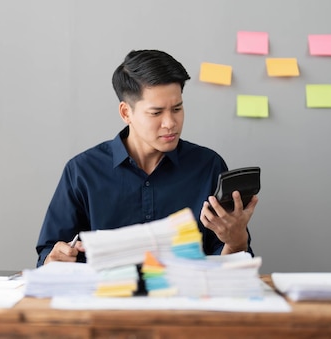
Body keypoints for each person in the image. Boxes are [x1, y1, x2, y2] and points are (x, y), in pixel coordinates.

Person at [36, 49, 258, 267]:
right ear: (126, 113)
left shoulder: (208, 166)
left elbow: (226, 263)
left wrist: (237, 241)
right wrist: (53, 258)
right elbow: (48, 253)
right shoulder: (82, 171)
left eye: (177, 109)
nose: (170, 122)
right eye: (156, 113)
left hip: (185, 299)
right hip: (106, 299)